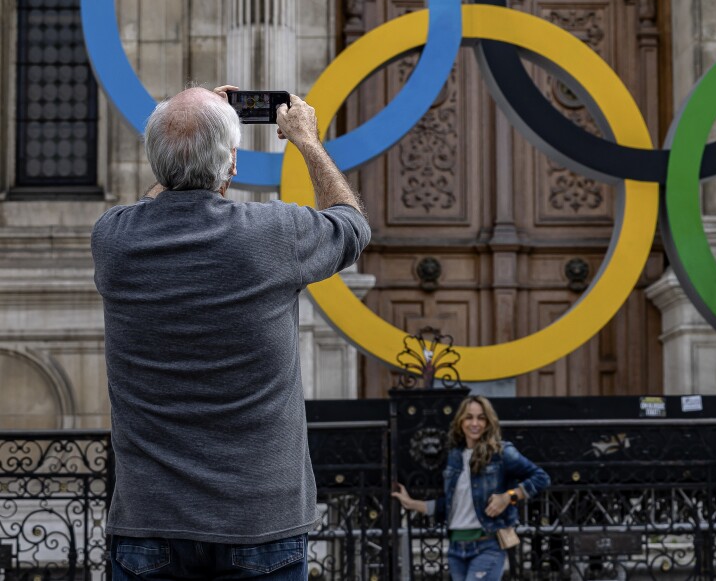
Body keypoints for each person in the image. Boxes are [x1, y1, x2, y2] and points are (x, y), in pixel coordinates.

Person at [94, 84, 371, 580]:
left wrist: (185, 140)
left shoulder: (114, 240)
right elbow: (351, 226)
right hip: (260, 526)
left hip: (149, 526)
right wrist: (306, 140)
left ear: (155, 165)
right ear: (233, 166)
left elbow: (150, 203)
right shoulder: (274, 234)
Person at [392, 395, 550, 581]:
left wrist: (509, 496)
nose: (474, 423)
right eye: (469, 417)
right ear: (460, 421)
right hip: (456, 549)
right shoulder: (454, 456)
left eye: (481, 418)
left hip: (487, 546)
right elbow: (451, 504)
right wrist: (411, 504)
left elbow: (542, 478)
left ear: (488, 422)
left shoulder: (501, 453)